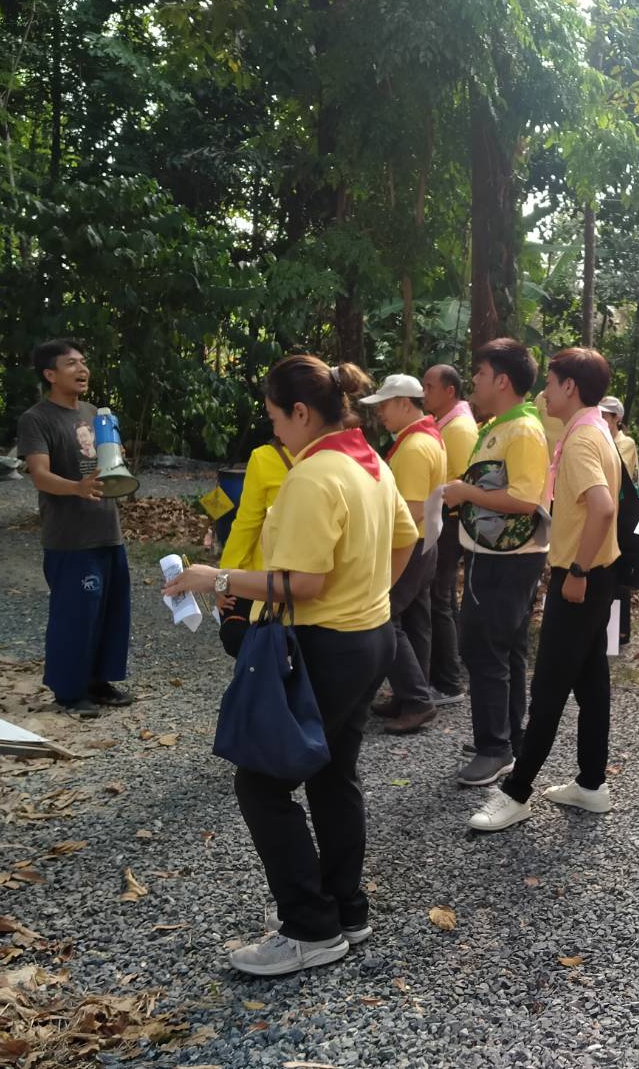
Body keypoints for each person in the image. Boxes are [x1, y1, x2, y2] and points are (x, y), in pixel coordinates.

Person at [164, 355, 418, 977]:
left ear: (302, 413)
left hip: (325, 645)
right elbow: (408, 537)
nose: (275, 430)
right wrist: (372, 596)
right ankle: (346, 909)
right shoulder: (371, 463)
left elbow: (303, 582)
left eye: (277, 418)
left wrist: (215, 575)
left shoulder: (313, 475)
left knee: (261, 781)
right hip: (371, 636)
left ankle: (309, 926)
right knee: (334, 775)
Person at [470, 347, 621, 832]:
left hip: (580, 578)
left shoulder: (579, 440)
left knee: (549, 688)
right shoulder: (598, 428)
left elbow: (601, 508)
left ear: (570, 387)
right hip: (600, 575)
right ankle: (591, 784)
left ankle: (516, 794)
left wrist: (575, 572)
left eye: (552, 383)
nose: (545, 393)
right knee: (592, 682)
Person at [441, 339, 550, 787]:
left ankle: (494, 747)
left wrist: (465, 494)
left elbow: (524, 498)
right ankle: (508, 736)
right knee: (505, 646)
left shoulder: (521, 431)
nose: (475, 383)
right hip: (499, 555)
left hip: (506, 559)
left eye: (481, 375)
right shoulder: (500, 426)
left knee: (484, 648)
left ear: (502, 380)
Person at [16, 340, 133, 719]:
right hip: (70, 538)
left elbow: (106, 463)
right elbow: (40, 475)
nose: (82, 369)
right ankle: (69, 692)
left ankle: (99, 682)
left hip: (107, 529)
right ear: (50, 375)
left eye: (84, 362)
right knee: (75, 615)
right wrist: (77, 488)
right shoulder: (37, 418)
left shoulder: (95, 413)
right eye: (71, 364)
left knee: (110, 612)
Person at [360, 374, 448, 734]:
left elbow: (408, 511)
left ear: (404, 403)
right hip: (427, 541)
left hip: (410, 544)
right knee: (415, 622)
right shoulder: (428, 438)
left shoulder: (413, 448)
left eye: (384, 404)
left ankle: (416, 699)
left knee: (387, 618)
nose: (380, 412)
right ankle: (410, 692)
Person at [422, 363, 477, 703]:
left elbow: (460, 479)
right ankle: (446, 671)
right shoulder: (449, 422)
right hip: (446, 516)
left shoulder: (457, 428)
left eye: (429, 387)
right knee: (442, 597)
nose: (424, 393)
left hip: (451, 517)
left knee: (439, 596)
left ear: (449, 392)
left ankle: (448, 682)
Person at [216, 438, 293, 658]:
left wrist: (222, 581)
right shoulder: (350, 459)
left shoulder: (266, 458)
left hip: (269, 590)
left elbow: (245, 527)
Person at [600, 395, 639, 646]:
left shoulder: (625, 443)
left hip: (621, 513)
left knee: (619, 569)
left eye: (607, 415)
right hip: (602, 508)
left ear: (618, 419)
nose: (602, 419)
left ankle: (620, 632)